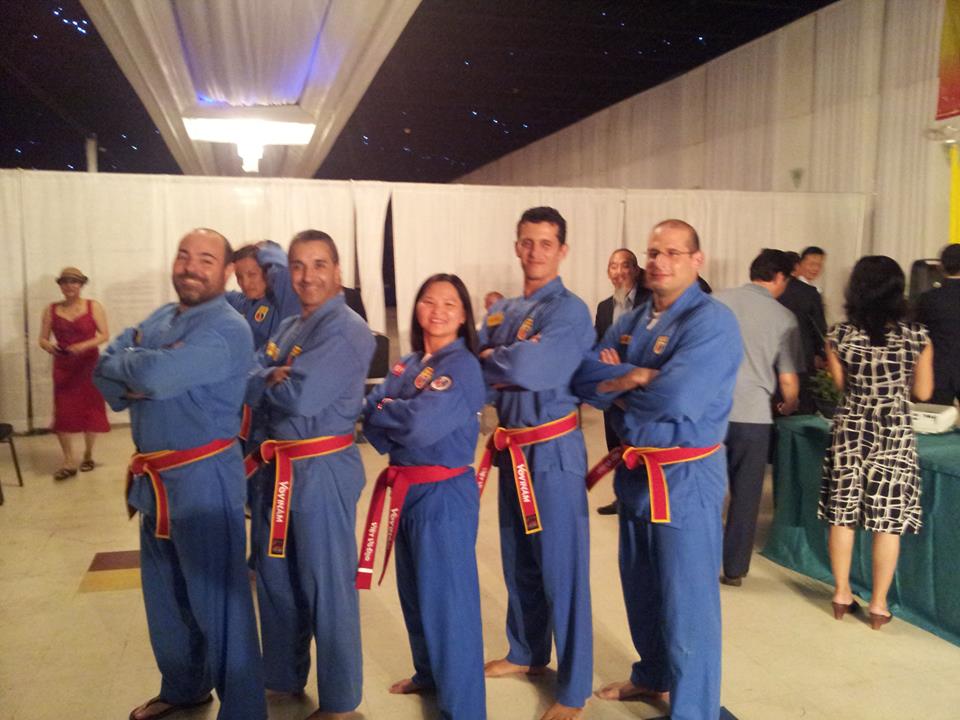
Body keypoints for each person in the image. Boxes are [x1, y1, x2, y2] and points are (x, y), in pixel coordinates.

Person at [93, 228, 266, 720]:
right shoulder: (163, 316)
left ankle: (245, 711)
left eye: (206, 259)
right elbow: (103, 368)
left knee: (219, 604)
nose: (191, 266)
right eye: (184, 256)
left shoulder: (229, 328)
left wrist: (141, 369)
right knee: (166, 596)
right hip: (154, 484)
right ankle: (185, 687)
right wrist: (143, 371)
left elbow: (151, 375)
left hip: (203, 481)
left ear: (226, 270)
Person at [574, 219, 742, 720]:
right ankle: (652, 675)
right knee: (641, 588)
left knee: (688, 604)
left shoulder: (711, 322)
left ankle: (695, 710)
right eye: (653, 252)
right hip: (636, 473)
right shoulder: (634, 317)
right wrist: (636, 376)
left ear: (696, 260)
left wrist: (619, 384)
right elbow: (583, 378)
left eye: (672, 252)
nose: (659, 262)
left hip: (684, 477)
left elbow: (679, 398)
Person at [244, 229, 374, 718]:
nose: (308, 276)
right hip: (277, 469)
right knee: (276, 578)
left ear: (337, 271)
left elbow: (301, 396)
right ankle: (282, 676)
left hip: (321, 471)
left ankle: (340, 700)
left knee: (326, 584)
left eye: (319, 265)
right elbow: (248, 372)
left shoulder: (346, 328)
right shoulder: (289, 326)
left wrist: (265, 380)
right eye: (298, 265)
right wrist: (266, 376)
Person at [478, 206, 594, 720]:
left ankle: (573, 688)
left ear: (562, 250)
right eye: (527, 242)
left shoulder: (570, 310)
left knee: (561, 569)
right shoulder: (504, 310)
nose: (535, 251)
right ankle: (526, 651)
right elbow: (475, 360)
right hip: (512, 450)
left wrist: (497, 358)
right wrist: (498, 358)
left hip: (552, 451)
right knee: (520, 557)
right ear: (516, 246)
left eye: (546, 243)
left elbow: (535, 367)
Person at [358, 273, 487, 720]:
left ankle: (464, 710)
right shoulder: (408, 364)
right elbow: (369, 412)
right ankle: (429, 674)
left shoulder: (463, 366)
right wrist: (392, 410)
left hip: (443, 494)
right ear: (416, 308)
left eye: (450, 304)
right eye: (429, 301)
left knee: (449, 606)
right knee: (414, 594)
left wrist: (389, 409)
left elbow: (419, 425)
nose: (438, 311)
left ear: (464, 315)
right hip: (405, 489)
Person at [820, 256, 933, 630]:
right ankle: (879, 605)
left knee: (843, 514)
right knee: (888, 520)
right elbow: (923, 391)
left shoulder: (839, 335)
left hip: (851, 430)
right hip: (894, 433)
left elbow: (841, 386)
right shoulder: (917, 337)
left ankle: (841, 593)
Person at [714, 249, 802, 586]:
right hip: (753, 417)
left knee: (705, 489)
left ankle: (698, 556)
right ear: (780, 277)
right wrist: (789, 404)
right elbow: (788, 380)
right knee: (746, 495)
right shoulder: (784, 318)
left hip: (710, 412)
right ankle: (734, 568)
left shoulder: (715, 302)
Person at [593, 249, 650, 515]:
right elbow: (598, 344)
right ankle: (622, 498)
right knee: (616, 444)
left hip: (640, 387)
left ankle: (646, 499)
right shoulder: (604, 307)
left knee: (641, 445)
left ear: (636, 270)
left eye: (625, 266)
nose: (619, 272)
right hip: (612, 388)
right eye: (613, 266)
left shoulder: (651, 302)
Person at [39, 267, 110, 479]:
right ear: (60, 285)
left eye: (74, 281)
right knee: (63, 411)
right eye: (65, 282)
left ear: (81, 284)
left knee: (90, 409)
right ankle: (68, 461)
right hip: (64, 366)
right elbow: (42, 338)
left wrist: (83, 346)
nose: (69, 285)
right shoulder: (51, 309)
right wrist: (49, 346)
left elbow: (104, 334)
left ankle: (88, 454)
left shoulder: (93, 306)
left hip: (88, 364)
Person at [226, 240, 300, 350]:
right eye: (239, 277)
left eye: (252, 275)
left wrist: (266, 249)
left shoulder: (283, 303)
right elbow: (214, 294)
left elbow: (284, 271)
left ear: (267, 272)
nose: (245, 283)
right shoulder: (243, 302)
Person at [778, 250, 827, 413]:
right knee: (803, 401)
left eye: (819, 265)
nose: (815, 268)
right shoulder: (809, 292)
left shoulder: (773, 290)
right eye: (811, 263)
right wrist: (822, 354)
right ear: (798, 265)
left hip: (775, 354)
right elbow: (819, 328)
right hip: (803, 355)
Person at [915, 244, 960, 406]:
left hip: (938, 372)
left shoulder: (928, 299)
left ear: (941, 267)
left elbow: (918, 334)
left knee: (937, 419)